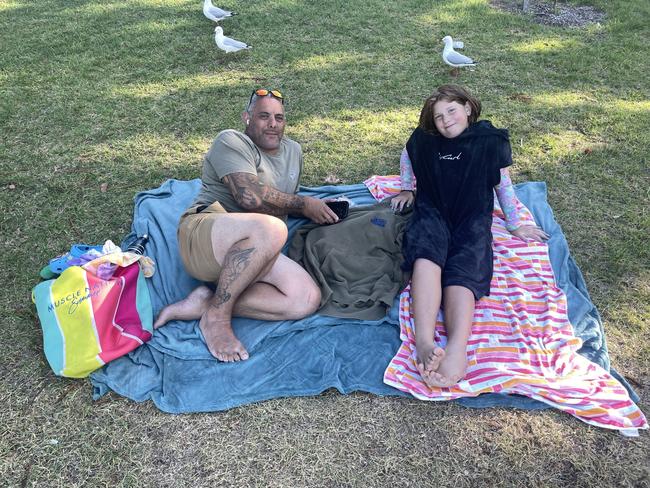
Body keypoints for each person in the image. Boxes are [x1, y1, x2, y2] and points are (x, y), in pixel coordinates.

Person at [154, 88, 339, 362]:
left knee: (306, 298)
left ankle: (207, 301)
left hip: (258, 249)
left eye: (279, 117)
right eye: (263, 116)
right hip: (206, 235)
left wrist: (315, 210)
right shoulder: (230, 140)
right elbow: (250, 197)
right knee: (273, 228)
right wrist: (303, 204)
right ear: (247, 118)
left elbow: (280, 203)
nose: (273, 124)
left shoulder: (294, 151)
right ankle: (216, 319)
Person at [391, 85, 548, 388]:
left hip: (472, 216)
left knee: (464, 269)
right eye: (438, 117)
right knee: (426, 255)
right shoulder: (426, 141)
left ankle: (456, 348)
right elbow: (407, 153)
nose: (446, 120)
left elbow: (502, 185)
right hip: (433, 210)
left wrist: (515, 224)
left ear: (467, 108)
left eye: (452, 110)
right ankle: (423, 341)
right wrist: (407, 187)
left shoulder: (487, 142)